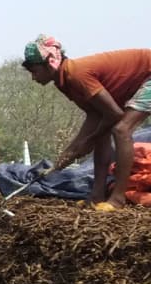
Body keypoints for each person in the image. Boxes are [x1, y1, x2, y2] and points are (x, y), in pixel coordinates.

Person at [23, 36, 151, 210]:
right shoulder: (63, 81)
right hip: (136, 84)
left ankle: (118, 199)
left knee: (121, 130)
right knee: (102, 135)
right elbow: (95, 115)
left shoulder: (76, 74)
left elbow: (115, 113)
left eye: (35, 71)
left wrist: (87, 142)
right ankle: (97, 196)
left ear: (50, 63)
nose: (33, 77)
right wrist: (70, 153)